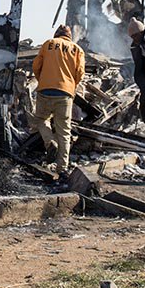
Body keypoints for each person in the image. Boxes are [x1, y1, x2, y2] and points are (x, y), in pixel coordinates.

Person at [28, 25, 85, 177]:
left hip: (45, 91)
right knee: (64, 131)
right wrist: (71, 85)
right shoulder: (77, 49)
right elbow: (80, 73)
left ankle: (49, 142)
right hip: (65, 94)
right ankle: (62, 168)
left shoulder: (49, 44)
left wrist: (43, 80)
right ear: (69, 36)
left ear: (56, 34)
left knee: (40, 119)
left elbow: (36, 66)